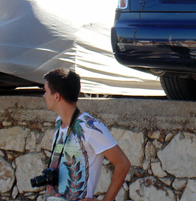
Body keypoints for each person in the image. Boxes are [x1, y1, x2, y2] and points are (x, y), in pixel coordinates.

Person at [42, 68, 130, 201]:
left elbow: (123, 163)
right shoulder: (59, 122)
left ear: (57, 96)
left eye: (46, 91)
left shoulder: (90, 127)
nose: (43, 96)